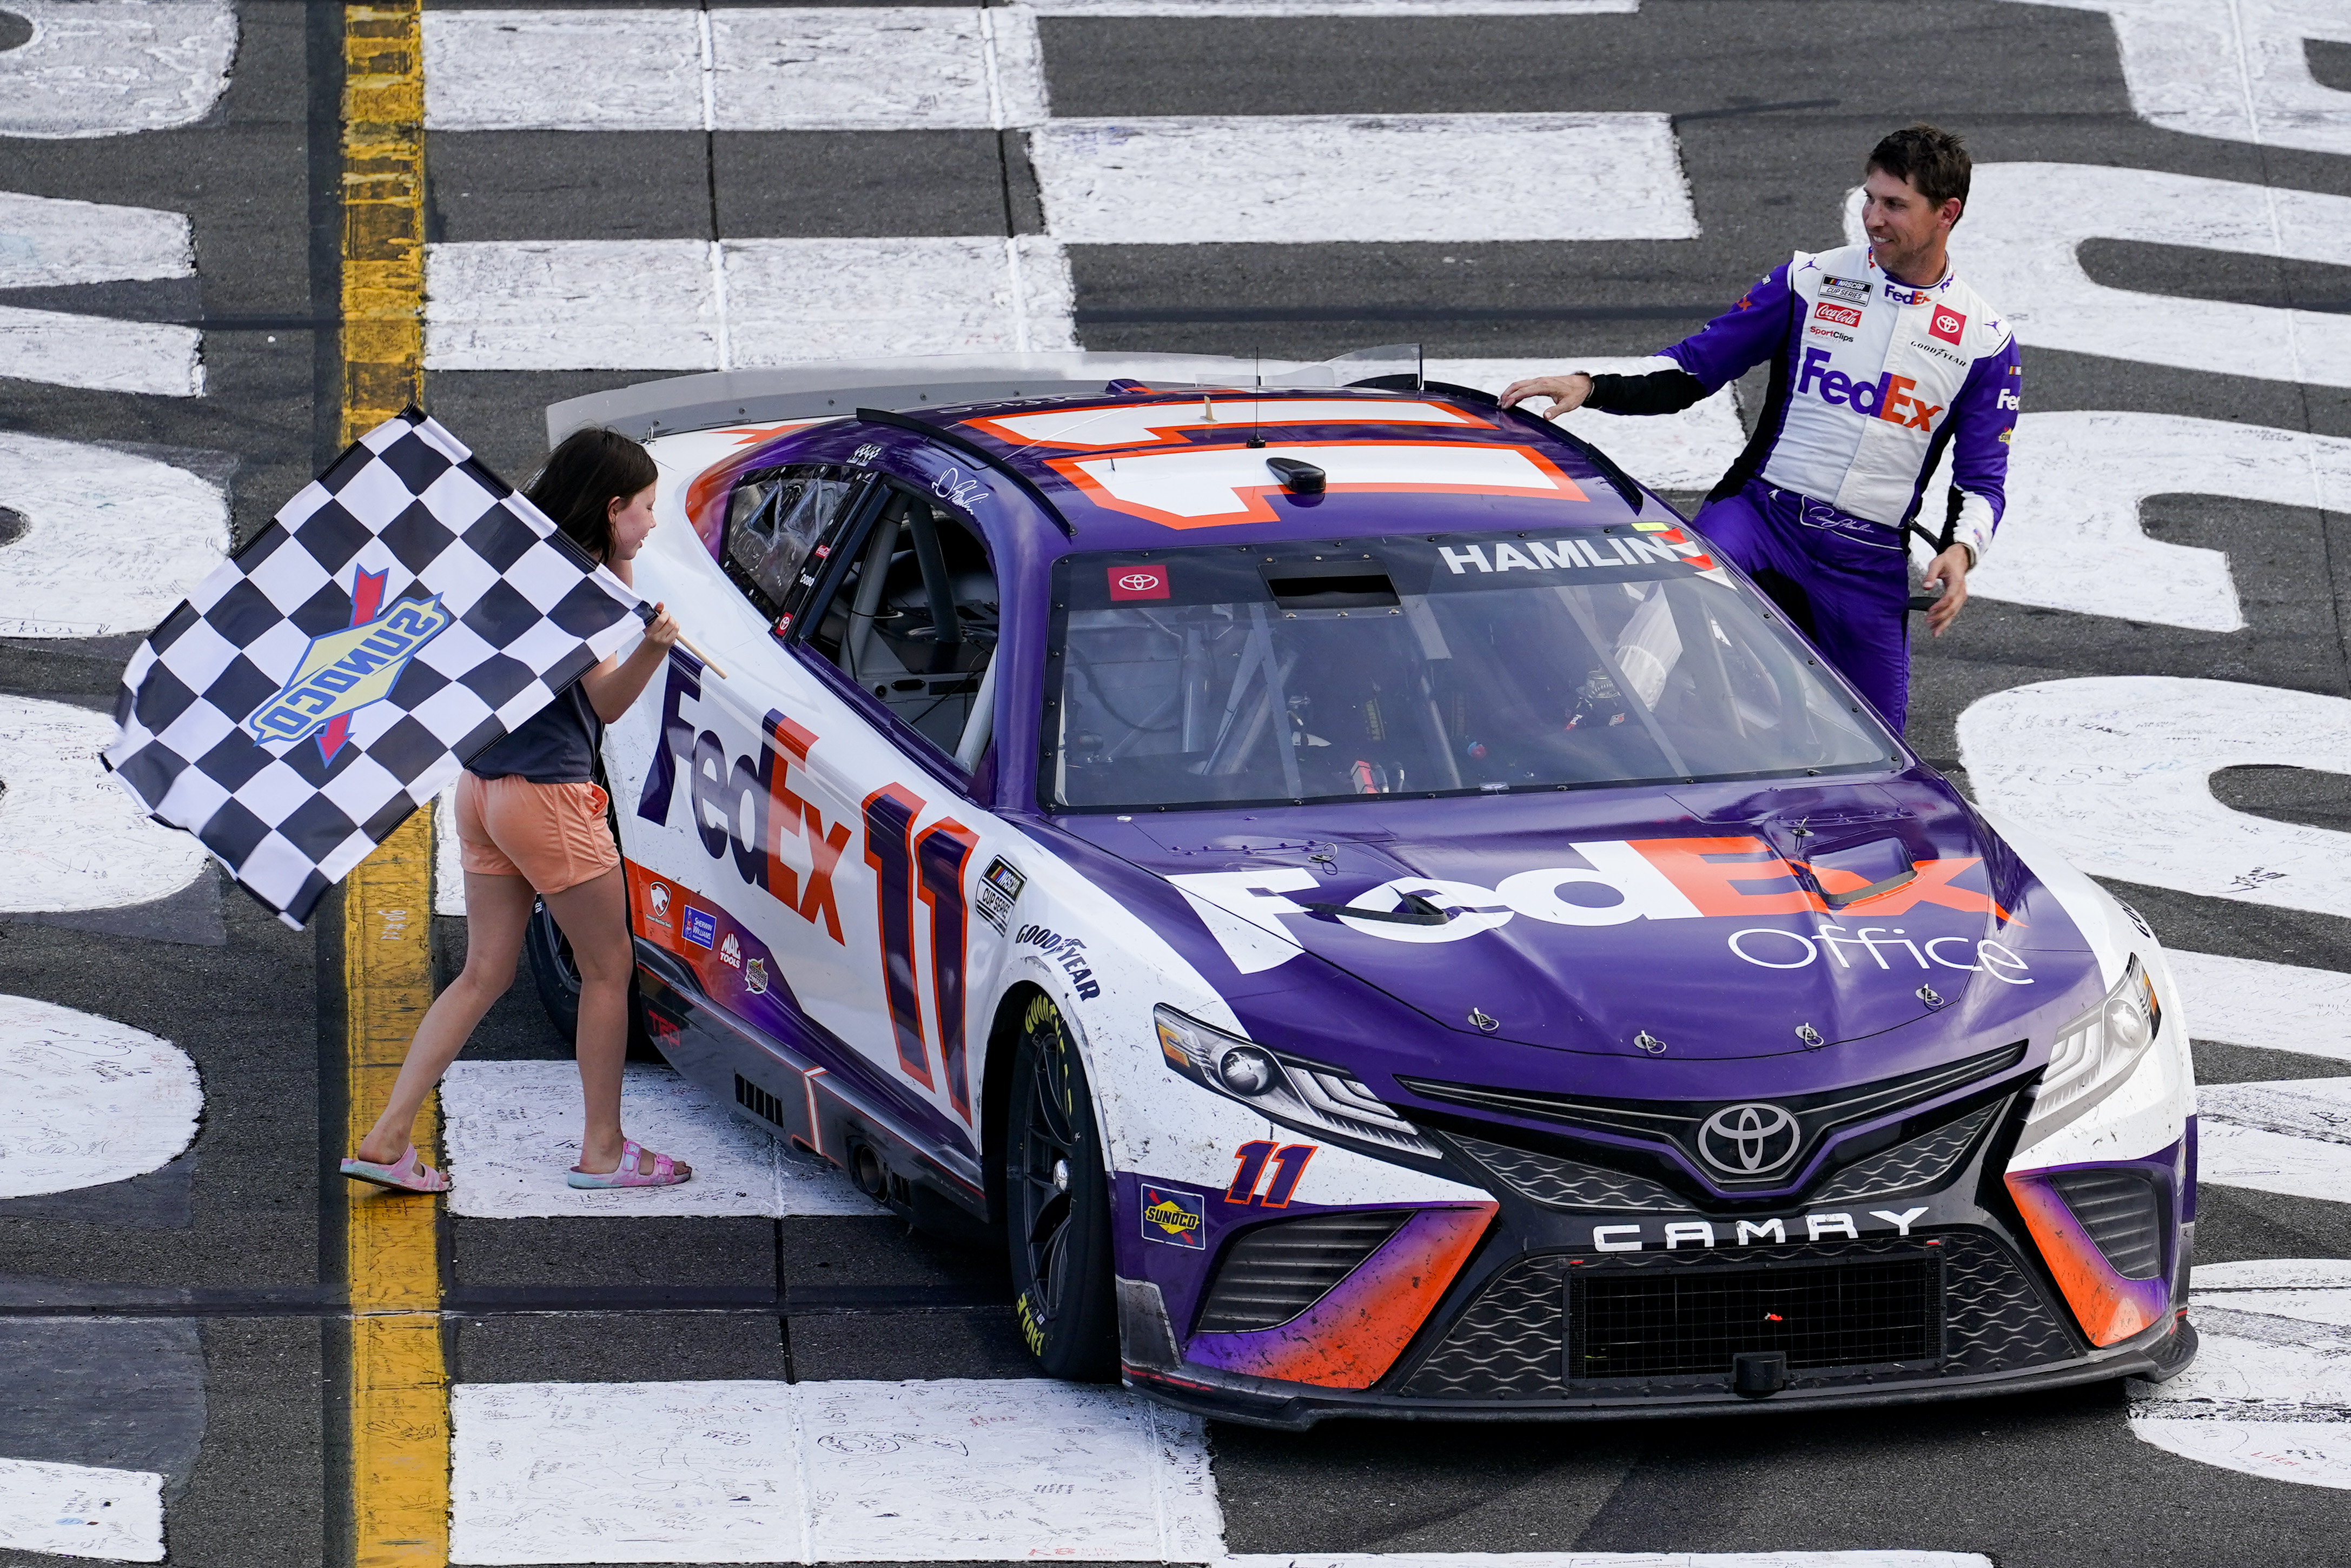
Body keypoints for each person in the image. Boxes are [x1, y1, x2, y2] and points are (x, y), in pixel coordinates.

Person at [1502, 123, 2019, 736]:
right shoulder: (1809, 281)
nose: (1873, 219)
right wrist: (1592, 385)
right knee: (1675, 590)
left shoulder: (1986, 341)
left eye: (1894, 205)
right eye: (1869, 198)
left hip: (1868, 557)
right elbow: (1692, 369)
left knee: (1880, 747)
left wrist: (1961, 552)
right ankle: (1596, 737)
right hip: (1762, 518)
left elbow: (1982, 480)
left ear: (1947, 213)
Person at [341, 428, 692, 1194]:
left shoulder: (515, 566)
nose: (653, 522)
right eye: (644, 508)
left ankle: (388, 1135)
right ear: (609, 508)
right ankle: (603, 1149)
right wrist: (652, 647)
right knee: (607, 971)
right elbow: (603, 702)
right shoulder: (585, 598)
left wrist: (621, 562)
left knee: (482, 974)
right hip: (550, 800)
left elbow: (601, 593)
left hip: (481, 794)